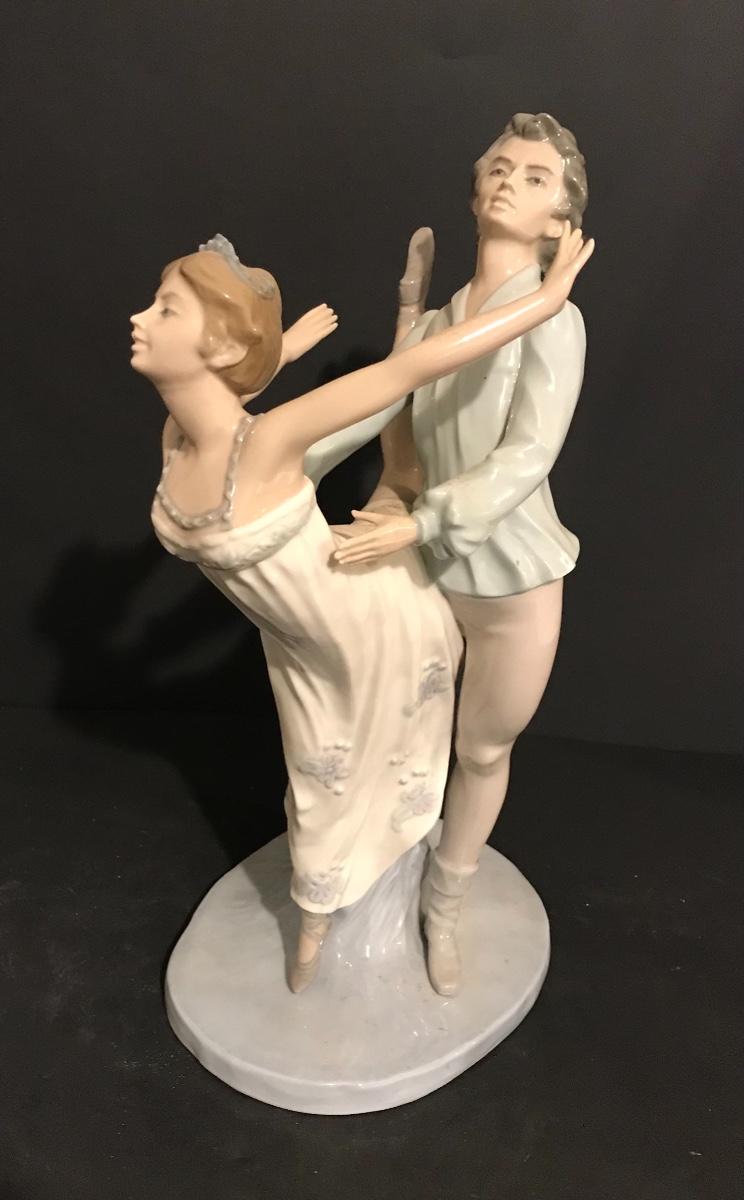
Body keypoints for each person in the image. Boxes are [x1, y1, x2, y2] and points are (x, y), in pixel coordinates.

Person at [129, 221, 593, 993]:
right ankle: (317, 919)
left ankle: (416, 907)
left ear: (216, 346)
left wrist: (544, 302)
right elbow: (224, 386)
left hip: (373, 628)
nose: (139, 318)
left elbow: (408, 372)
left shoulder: (270, 442)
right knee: (316, 790)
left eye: (165, 309)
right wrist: (280, 351)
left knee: (373, 782)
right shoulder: (179, 437)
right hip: (299, 647)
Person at [334, 112, 591, 996]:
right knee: (400, 727)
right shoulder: (445, 318)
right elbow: (391, 417)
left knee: (481, 748)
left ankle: (444, 903)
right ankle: (373, 865)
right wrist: (410, 310)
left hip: (511, 576)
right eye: (500, 166)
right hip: (427, 567)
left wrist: (421, 523)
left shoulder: (553, 319)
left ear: (560, 221)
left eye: (534, 176)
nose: (509, 179)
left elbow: (528, 456)